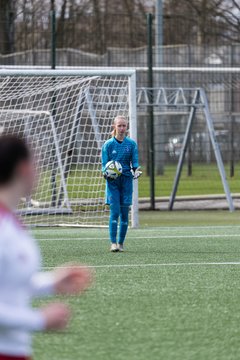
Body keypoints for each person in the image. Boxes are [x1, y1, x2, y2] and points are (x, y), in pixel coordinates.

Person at [0, 135, 92, 360]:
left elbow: (9, 285)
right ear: (23, 168)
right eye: (36, 161)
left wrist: (52, 282)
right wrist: (39, 320)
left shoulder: (12, 222)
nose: (39, 168)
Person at [102, 116, 142, 252]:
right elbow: (104, 165)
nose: (121, 128)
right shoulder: (108, 145)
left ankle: (121, 243)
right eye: (119, 125)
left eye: (124, 125)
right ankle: (113, 243)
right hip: (112, 183)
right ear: (114, 126)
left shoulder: (131, 144)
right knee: (115, 213)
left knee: (125, 215)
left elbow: (135, 163)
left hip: (126, 181)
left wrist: (136, 170)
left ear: (127, 127)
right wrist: (106, 172)